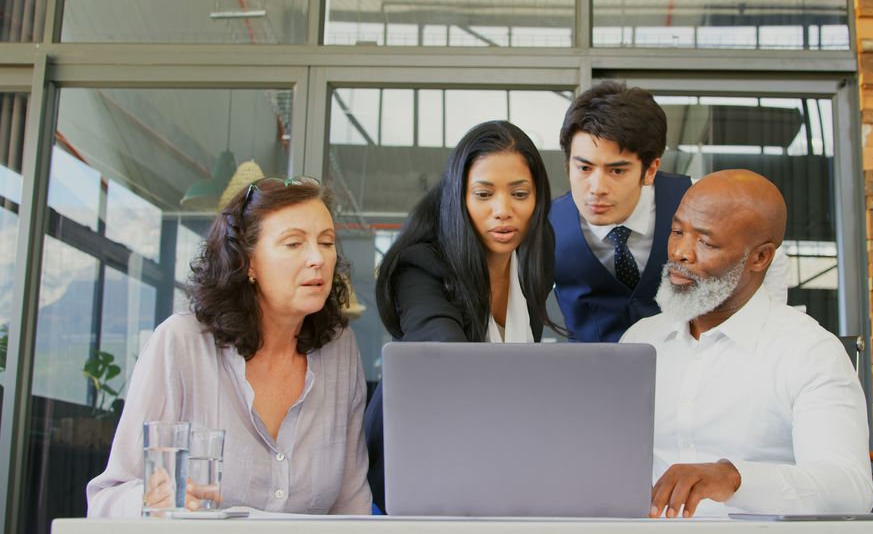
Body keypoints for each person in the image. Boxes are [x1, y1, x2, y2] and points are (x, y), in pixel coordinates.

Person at [87, 177, 372, 516]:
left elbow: (351, 504)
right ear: (248, 262)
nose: (318, 258)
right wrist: (150, 502)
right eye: (294, 243)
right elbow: (107, 498)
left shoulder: (340, 350)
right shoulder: (180, 343)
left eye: (326, 242)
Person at [621, 169, 873, 518]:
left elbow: (850, 488)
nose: (680, 252)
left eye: (705, 243)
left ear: (760, 257)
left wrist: (735, 478)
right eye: (677, 231)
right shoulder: (640, 341)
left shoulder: (810, 352)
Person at [363, 120, 559, 512]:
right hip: (417, 457)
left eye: (520, 193)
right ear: (459, 197)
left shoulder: (536, 249)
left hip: (498, 458)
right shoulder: (419, 264)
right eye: (484, 194)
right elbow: (445, 363)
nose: (503, 211)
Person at [550, 81, 787, 343]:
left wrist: (762, 335)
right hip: (590, 374)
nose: (596, 188)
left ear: (650, 170)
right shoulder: (543, 224)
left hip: (683, 365)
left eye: (617, 171)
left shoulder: (695, 200)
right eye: (584, 168)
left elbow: (772, 258)